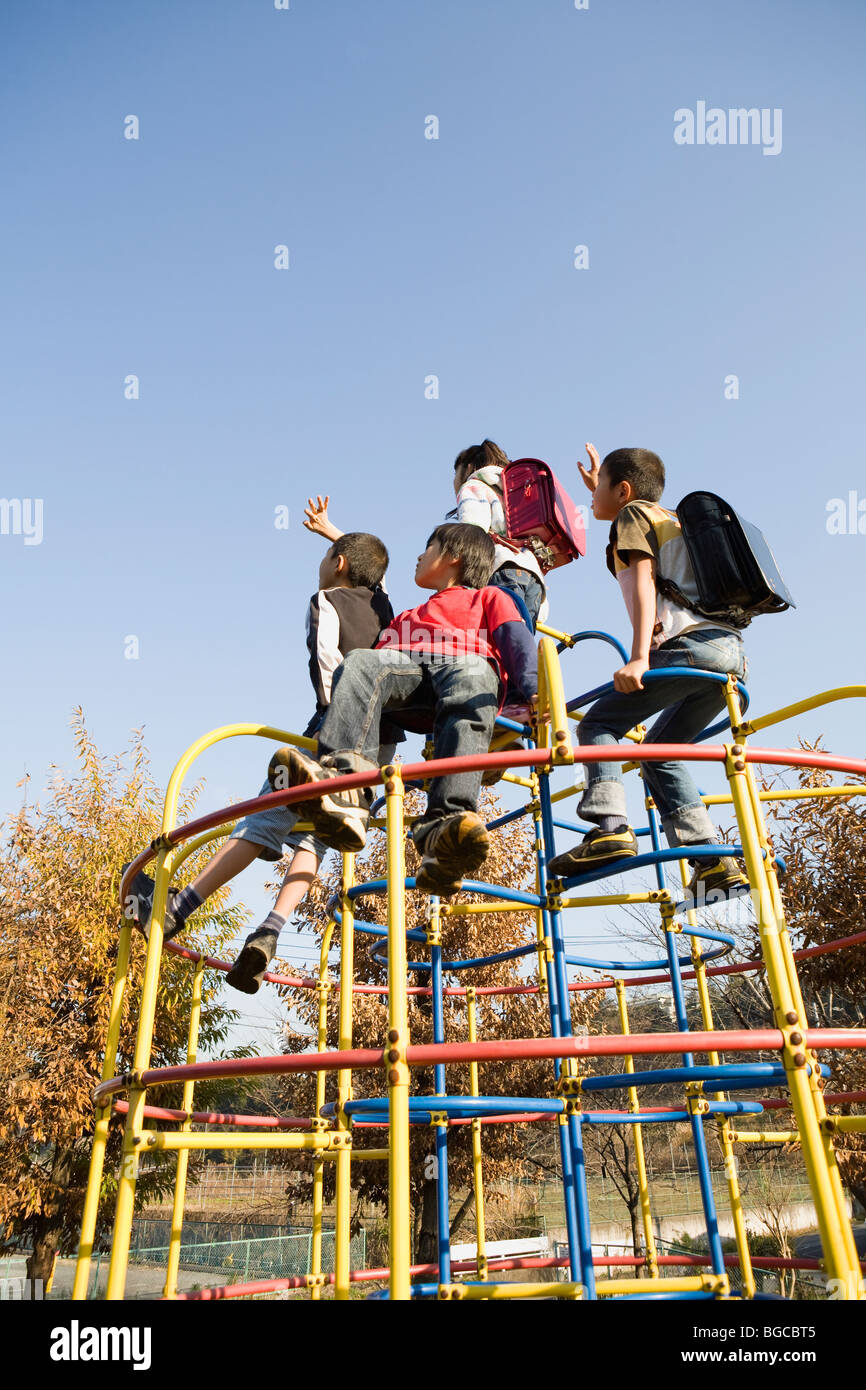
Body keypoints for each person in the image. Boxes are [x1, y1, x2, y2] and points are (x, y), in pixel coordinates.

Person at [123, 531, 397, 993]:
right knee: (318, 838)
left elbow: (327, 657)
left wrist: (334, 716)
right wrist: (339, 534)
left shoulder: (327, 597)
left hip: (337, 728)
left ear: (339, 562)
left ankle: (180, 906)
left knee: (263, 820)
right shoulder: (384, 605)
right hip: (383, 744)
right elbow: (375, 573)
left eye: (328, 554)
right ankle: (270, 930)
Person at [269, 523, 538, 895]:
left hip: (464, 667)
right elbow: (375, 669)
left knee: (475, 673)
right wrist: (329, 721)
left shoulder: (489, 597)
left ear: (453, 557)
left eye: (428, 548)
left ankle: (448, 822)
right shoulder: (407, 616)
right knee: (362, 662)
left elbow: (517, 640)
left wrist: (533, 692)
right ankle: (346, 788)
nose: (418, 555)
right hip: (410, 675)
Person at [546, 444, 748, 900]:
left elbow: (644, 579)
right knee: (661, 749)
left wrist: (639, 657)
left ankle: (609, 827)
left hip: (687, 649)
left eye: (599, 488)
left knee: (599, 724)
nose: (591, 496)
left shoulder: (631, 516)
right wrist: (603, 484)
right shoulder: (674, 519)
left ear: (623, 490)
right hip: (729, 656)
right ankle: (712, 861)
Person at [301, 436, 548, 631]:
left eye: (455, 473)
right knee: (516, 645)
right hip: (533, 579)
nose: (454, 482)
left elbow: (471, 537)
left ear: (468, 468)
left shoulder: (473, 486)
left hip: (500, 573)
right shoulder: (511, 494)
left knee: (495, 646)